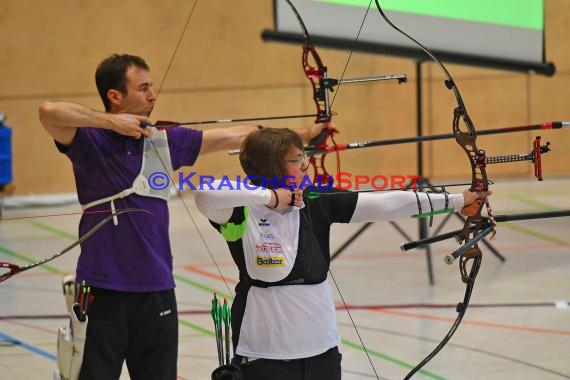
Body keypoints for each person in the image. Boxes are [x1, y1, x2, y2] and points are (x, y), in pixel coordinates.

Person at [39, 54, 326, 380]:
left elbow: (235, 136)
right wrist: (112, 122)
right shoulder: (89, 140)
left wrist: (303, 134)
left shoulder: (162, 140)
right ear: (115, 96)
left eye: (152, 88)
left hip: (157, 288)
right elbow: (49, 112)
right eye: (143, 88)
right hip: (102, 289)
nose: (152, 96)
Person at [194, 127, 491, 380]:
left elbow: (385, 203)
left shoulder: (316, 201)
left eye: (304, 157)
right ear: (270, 168)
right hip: (262, 355)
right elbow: (204, 195)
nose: (306, 164)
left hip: (321, 351)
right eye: (297, 160)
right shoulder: (239, 210)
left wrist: (455, 200)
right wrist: (271, 197)